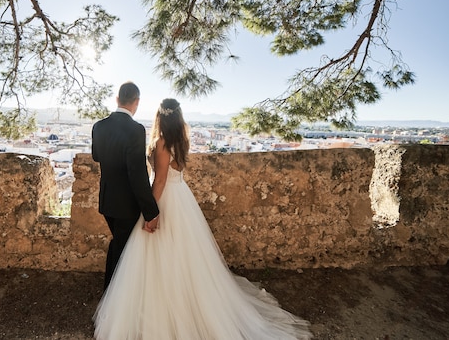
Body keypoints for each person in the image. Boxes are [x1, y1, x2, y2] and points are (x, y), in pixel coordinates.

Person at [94, 98, 312, 339]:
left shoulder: (162, 143)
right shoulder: (181, 140)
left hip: (166, 198)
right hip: (181, 196)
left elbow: (160, 180)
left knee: (158, 252)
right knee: (183, 256)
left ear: (160, 117)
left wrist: (151, 213)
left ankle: (161, 305)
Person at [91, 82, 160, 290]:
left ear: (117, 99)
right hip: (126, 204)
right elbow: (137, 174)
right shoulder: (136, 129)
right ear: (136, 102)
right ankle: (114, 297)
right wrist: (151, 211)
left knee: (118, 243)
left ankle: (112, 294)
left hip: (107, 200)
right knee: (123, 249)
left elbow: (96, 156)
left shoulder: (99, 126)